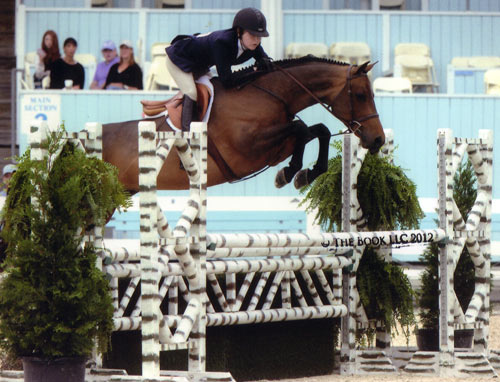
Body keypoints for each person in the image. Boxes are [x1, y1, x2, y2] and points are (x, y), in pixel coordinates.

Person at [165, 7, 272, 131]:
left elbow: (266, 63)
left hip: (200, 65)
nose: (257, 40)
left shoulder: (254, 45)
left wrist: (265, 63)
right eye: (253, 35)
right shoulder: (222, 43)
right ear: (239, 31)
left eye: (260, 36)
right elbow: (227, 81)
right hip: (179, 58)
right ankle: (187, 133)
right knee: (191, 92)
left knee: (215, 90)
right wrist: (252, 71)